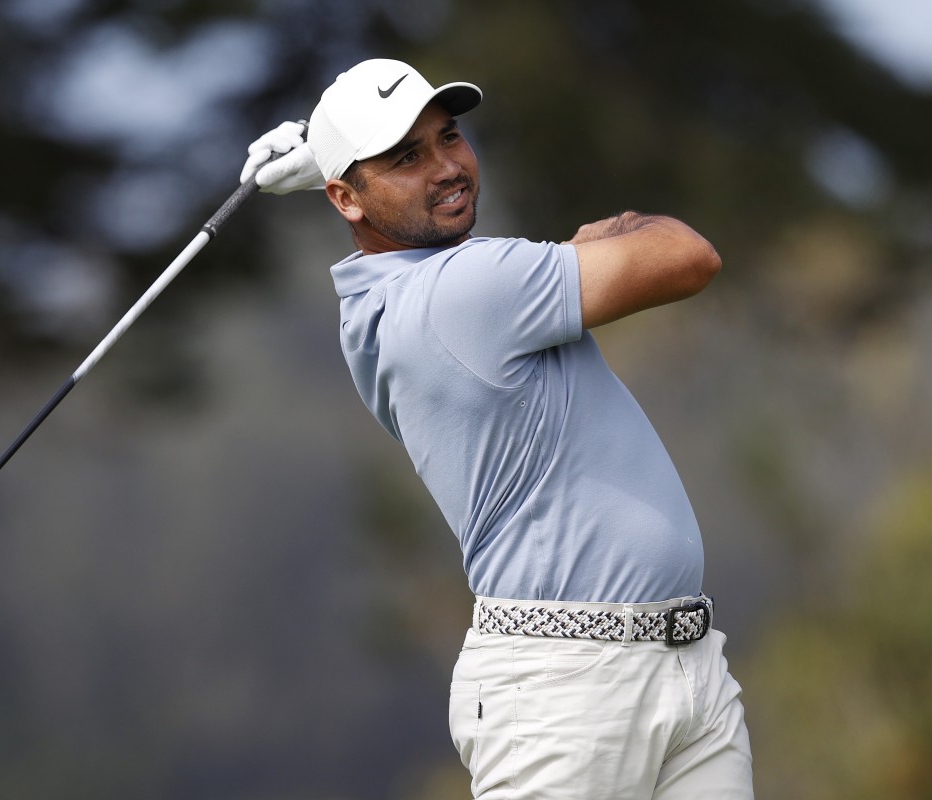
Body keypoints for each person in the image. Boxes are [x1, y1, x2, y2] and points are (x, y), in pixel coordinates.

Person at [241, 58, 753, 799]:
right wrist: (619, 230)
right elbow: (687, 255)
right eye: (406, 157)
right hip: (565, 694)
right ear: (346, 197)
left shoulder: (379, 309)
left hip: (685, 664)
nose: (447, 167)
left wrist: (336, 159)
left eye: (449, 137)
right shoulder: (462, 290)